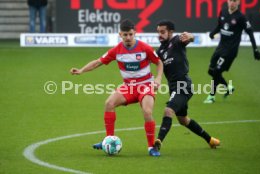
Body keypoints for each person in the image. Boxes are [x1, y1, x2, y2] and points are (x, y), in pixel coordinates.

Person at [70, 19, 163, 157]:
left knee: (147, 111)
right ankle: (108, 140)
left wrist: (158, 78)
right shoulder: (116, 50)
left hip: (146, 85)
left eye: (130, 34)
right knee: (109, 103)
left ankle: (151, 147)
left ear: (135, 33)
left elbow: (159, 62)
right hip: (128, 87)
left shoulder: (145, 48)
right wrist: (81, 70)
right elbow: (98, 62)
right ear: (120, 34)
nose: (128, 38)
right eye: (125, 35)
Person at [153, 20, 220, 153]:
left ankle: (158, 142)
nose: (159, 35)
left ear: (170, 32)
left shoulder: (177, 41)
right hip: (173, 88)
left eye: (162, 32)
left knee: (168, 111)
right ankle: (210, 140)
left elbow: (189, 38)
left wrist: (191, 36)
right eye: (158, 32)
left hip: (183, 84)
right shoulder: (160, 51)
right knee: (183, 119)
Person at [204, 0, 260, 104]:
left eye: (235, 1)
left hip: (230, 51)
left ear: (239, 2)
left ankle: (211, 96)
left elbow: (250, 32)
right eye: (230, 0)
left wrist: (255, 50)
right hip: (220, 47)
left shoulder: (241, 17)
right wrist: (212, 33)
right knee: (211, 71)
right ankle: (228, 87)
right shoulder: (223, 12)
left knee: (217, 71)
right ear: (227, 1)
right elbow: (220, 26)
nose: (232, 3)